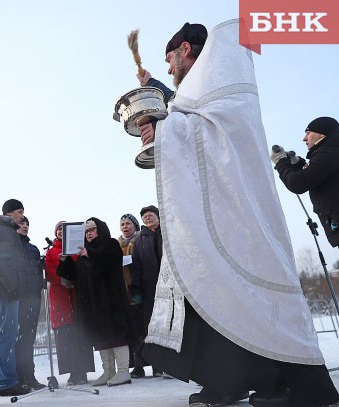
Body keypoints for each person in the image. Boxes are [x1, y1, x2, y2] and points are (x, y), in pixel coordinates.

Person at [135, 21, 339, 406]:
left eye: (169, 61)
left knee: (254, 293)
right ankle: (227, 379)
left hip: (240, 216)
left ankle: (296, 386)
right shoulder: (198, 89)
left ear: (184, 49)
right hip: (212, 215)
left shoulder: (225, 81)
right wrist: (159, 113)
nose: (169, 70)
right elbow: (186, 114)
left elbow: (209, 132)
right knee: (210, 287)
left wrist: (163, 130)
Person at [57, 218, 132, 387]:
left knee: (117, 335)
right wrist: (65, 262)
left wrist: (90, 255)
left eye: (92, 229)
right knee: (101, 336)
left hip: (110, 301)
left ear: (101, 230)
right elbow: (75, 276)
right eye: (86, 231)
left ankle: (123, 371)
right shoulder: (85, 251)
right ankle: (108, 371)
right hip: (93, 303)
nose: (89, 233)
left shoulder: (110, 244)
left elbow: (110, 262)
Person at [272, 117, 339, 248]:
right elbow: (317, 174)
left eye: (308, 133)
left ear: (322, 133)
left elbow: (298, 183)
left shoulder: (329, 152)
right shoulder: (332, 151)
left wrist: (280, 162)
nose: (304, 138)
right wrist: (299, 163)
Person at [0, 199, 30, 397]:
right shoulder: (4, 231)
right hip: (8, 291)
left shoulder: (3, 230)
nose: (22, 216)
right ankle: (6, 382)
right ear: (9, 213)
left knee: (6, 335)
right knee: (7, 335)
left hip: (7, 290)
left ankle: (5, 380)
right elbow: (1, 261)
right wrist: (13, 287)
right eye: (19, 212)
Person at [44, 221, 94, 386]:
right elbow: (50, 274)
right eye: (58, 229)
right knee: (66, 335)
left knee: (81, 334)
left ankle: (83, 370)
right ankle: (73, 371)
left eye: (63, 229)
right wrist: (65, 276)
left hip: (77, 296)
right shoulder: (51, 252)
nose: (60, 231)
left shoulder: (78, 249)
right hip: (60, 298)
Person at [129, 206, 164, 378]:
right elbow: (136, 267)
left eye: (150, 215)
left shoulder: (167, 234)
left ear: (158, 217)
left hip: (169, 287)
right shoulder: (139, 241)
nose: (147, 218)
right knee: (148, 328)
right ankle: (144, 364)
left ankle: (164, 364)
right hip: (149, 289)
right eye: (144, 217)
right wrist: (135, 289)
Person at [15, 216, 46, 390]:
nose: (25, 226)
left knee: (29, 339)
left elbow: (36, 272)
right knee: (17, 340)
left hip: (33, 299)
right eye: (21, 223)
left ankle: (30, 376)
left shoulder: (33, 249)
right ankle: (18, 377)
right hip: (17, 299)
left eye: (27, 224)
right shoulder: (11, 246)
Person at [117, 214, 146, 379]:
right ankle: (137, 365)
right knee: (132, 333)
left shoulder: (141, 241)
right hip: (124, 293)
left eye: (128, 223)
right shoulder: (118, 244)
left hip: (139, 291)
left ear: (135, 225)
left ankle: (153, 365)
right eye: (122, 224)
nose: (125, 227)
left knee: (144, 330)